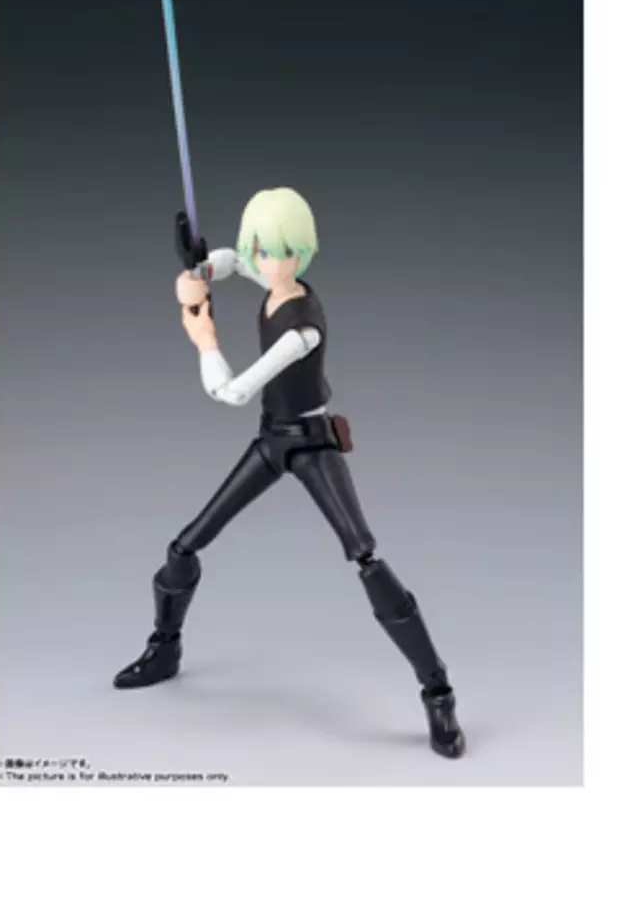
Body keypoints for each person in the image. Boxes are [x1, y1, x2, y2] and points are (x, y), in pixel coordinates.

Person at [113, 186, 466, 759]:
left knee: (365, 556)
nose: (265, 261)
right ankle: (165, 647)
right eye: (260, 249)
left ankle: (438, 690)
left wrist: (204, 339)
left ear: (302, 253)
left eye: (277, 252)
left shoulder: (302, 328)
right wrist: (202, 268)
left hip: (311, 446)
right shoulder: (275, 283)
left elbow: (232, 391)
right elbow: (233, 262)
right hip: (271, 441)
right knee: (185, 545)